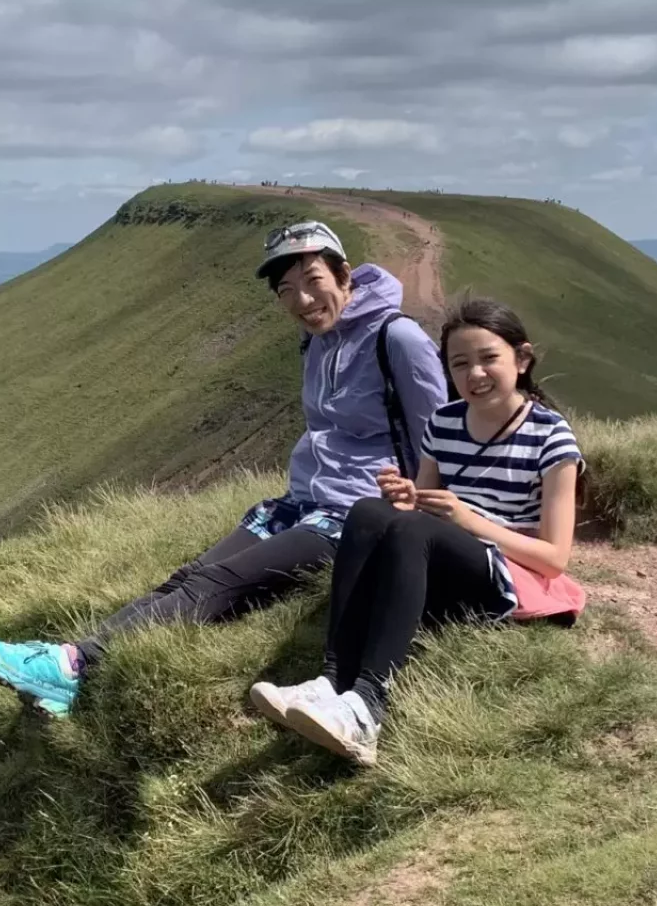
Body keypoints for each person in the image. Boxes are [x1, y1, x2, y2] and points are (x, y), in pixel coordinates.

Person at [0, 220, 448, 717]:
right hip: (301, 502)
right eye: (286, 290)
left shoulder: (398, 339)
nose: (303, 301)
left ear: (344, 274)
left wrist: (418, 515)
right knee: (190, 575)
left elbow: (442, 440)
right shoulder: (317, 341)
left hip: (353, 516)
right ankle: (72, 667)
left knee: (217, 583)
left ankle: (75, 665)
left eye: (313, 281)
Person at [249, 295, 586, 766]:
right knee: (368, 512)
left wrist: (469, 520)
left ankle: (367, 706)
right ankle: (332, 681)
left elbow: (554, 558)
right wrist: (407, 498)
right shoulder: (444, 422)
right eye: (459, 363)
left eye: (489, 358)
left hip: (507, 573)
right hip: (443, 554)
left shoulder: (551, 437)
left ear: (522, 359)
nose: (475, 374)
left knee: (411, 532)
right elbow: (422, 504)